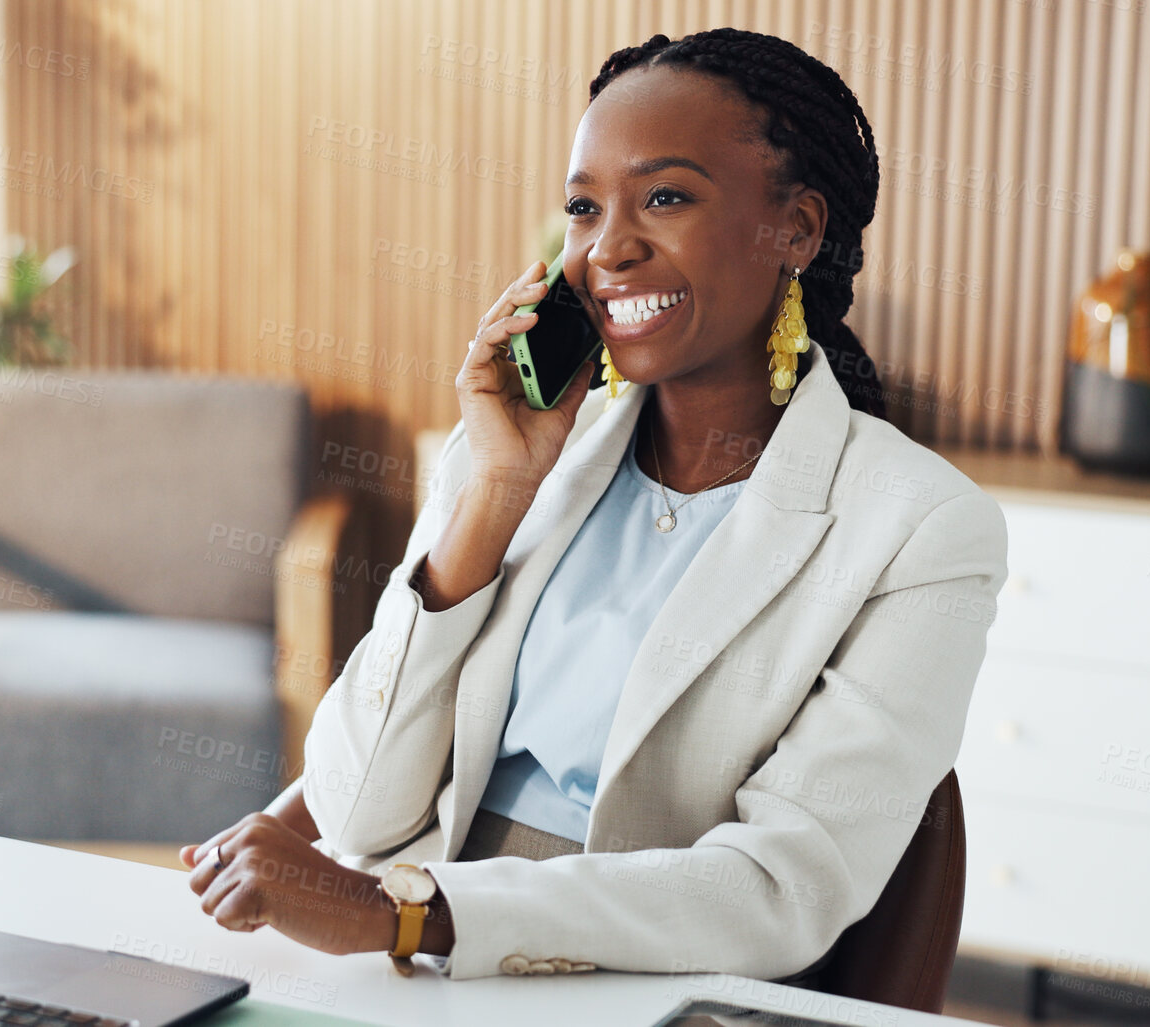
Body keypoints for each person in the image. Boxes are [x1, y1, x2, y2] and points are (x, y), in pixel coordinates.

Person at [177, 27, 1008, 983]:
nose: (607, 248)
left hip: (631, 980)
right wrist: (494, 497)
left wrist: (405, 914)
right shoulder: (509, 453)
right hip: (408, 963)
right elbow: (357, 809)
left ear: (797, 229)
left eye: (664, 197)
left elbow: (780, 890)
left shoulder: (920, 527)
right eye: (583, 207)